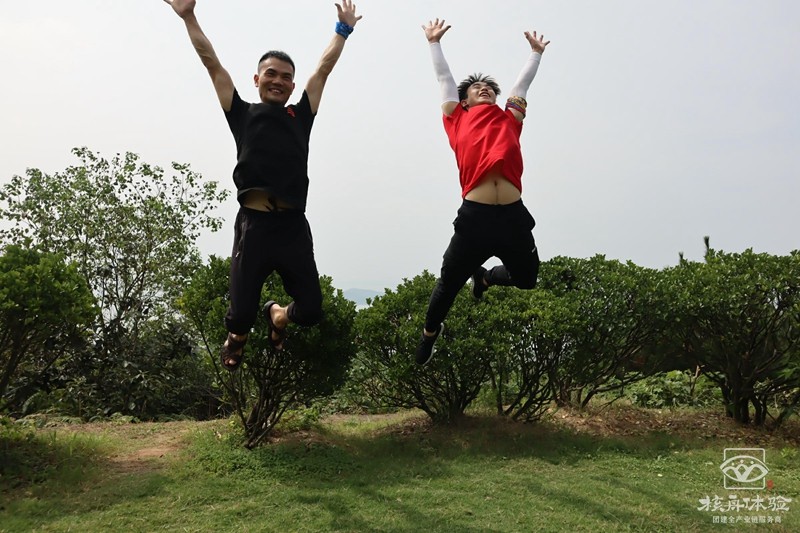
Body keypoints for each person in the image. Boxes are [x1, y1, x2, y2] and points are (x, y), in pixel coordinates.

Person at [165, 0, 363, 371]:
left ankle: (277, 316)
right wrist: (189, 16)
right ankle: (237, 338)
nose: (278, 80)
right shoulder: (241, 113)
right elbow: (211, 63)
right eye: (270, 73)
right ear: (257, 80)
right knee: (239, 316)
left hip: (292, 226)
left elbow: (323, 69)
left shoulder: (301, 114)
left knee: (311, 310)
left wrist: (343, 30)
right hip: (253, 225)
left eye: (286, 77)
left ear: (292, 85)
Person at [416, 18, 550, 366]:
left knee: (527, 278)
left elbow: (522, 84)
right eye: (476, 88)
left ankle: (487, 277)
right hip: (475, 218)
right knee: (448, 283)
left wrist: (536, 53)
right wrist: (434, 43)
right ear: (462, 102)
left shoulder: (510, 119)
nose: (484, 89)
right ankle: (429, 334)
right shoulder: (456, 118)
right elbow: (444, 79)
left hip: (512, 216)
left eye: (489, 87)